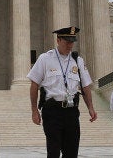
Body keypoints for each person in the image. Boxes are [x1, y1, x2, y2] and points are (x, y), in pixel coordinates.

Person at [28, 26, 97, 158]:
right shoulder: (45, 59)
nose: (70, 45)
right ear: (58, 40)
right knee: (53, 152)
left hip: (71, 112)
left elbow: (85, 86)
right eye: (67, 41)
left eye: (72, 42)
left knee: (71, 152)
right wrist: (34, 110)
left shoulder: (78, 61)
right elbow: (34, 84)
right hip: (52, 111)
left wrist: (91, 107)